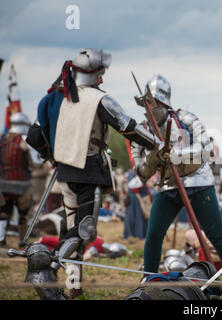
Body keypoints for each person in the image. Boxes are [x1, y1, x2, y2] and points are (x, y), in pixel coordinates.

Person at [23, 48, 160, 299]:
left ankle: (72, 286)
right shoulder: (99, 99)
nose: (102, 79)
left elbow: (33, 136)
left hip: (65, 173)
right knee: (83, 231)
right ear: (93, 74)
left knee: (74, 230)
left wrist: (54, 154)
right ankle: (46, 266)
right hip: (89, 173)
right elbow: (127, 127)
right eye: (100, 74)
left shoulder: (54, 98)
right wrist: (156, 144)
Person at [131, 74, 222, 273]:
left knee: (216, 233)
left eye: (154, 102)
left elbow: (207, 149)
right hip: (168, 186)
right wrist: (154, 157)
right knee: (153, 234)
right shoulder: (142, 132)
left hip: (198, 183)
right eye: (147, 104)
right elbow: (142, 174)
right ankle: (149, 278)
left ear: (163, 102)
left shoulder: (187, 119)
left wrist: (175, 154)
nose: (151, 108)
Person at [0, 112, 33, 248]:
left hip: (3, 182)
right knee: (23, 214)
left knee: (3, 211)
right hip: (22, 183)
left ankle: (1, 239)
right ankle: (23, 240)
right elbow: (35, 162)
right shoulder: (25, 140)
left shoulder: (3, 139)